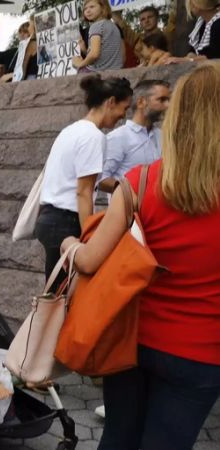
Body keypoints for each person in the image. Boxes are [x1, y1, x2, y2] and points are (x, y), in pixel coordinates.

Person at [61, 62, 220, 450]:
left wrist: (69, 246)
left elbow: (89, 261)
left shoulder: (140, 182)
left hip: (133, 340)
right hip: (203, 352)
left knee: (118, 437)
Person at [35, 75, 132, 288]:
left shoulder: (71, 130)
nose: (123, 116)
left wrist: (119, 186)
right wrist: (88, 237)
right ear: (111, 102)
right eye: (124, 108)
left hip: (50, 218)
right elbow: (83, 192)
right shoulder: (93, 137)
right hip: (65, 223)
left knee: (56, 294)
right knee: (61, 298)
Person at [98, 80, 170, 193]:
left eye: (168, 100)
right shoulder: (118, 137)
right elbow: (101, 180)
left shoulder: (163, 136)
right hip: (129, 209)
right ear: (141, 102)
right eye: (161, 100)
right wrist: (134, 193)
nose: (168, 105)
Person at [74, 0, 124, 72]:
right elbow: (104, 53)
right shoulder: (114, 26)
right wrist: (85, 50)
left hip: (98, 73)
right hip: (116, 71)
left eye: (92, 7)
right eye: (85, 9)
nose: (88, 10)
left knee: (75, 62)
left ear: (103, 8)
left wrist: (80, 64)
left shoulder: (96, 26)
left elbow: (94, 54)